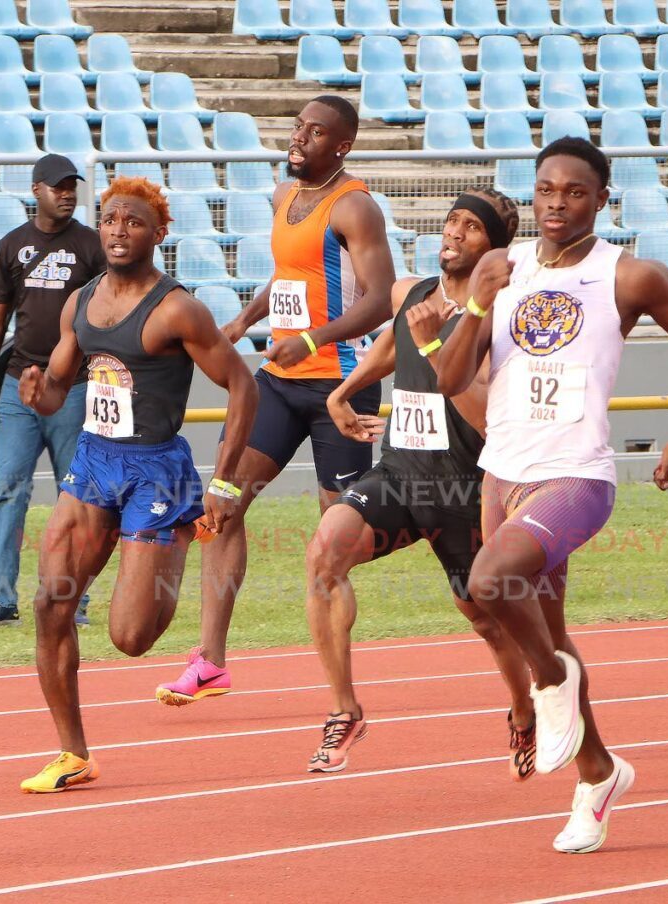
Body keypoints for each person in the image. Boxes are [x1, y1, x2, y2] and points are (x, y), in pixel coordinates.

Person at [436, 138, 668, 853]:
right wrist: (478, 303)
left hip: (577, 476)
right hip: (503, 473)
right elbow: (447, 378)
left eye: (575, 192)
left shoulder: (628, 275)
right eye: (546, 190)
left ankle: (552, 679)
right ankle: (597, 777)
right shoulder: (503, 269)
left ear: (602, 199)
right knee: (545, 627)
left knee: (490, 581)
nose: (558, 203)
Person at [16, 176, 257, 792]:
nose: (119, 230)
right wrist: (38, 391)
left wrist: (225, 485)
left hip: (155, 468)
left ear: (158, 233)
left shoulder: (177, 308)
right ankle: (73, 754)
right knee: (50, 604)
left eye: (133, 222)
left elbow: (243, 386)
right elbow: (57, 392)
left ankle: (176, 535)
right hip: (95, 462)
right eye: (110, 219)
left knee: (129, 637)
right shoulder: (82, 301)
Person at [155, 96, 396, 705]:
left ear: (341, 146)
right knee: (222, 503)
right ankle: (210, 661)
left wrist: (314, 337)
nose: (299, 138)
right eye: (298, 127)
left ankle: (338, 673)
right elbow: (292, 274)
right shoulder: (286, 197)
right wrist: (243, 320)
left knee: (334, 540)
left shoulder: (356, 207)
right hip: (280, 383)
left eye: (315, 133)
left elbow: (381, 297)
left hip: (341, 387)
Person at [304, 189, 538, 779]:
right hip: (401, 477)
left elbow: (485, 414)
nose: (454, 233)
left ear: (494, 249)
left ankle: (523, 711)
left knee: (484, 615)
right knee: (325, 550)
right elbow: (390, 344)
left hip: (464, 491)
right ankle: (344, 710)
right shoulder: (411, 294)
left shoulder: (497, 318)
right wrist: (340, 390)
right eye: (451, 221)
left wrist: (437, 343)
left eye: (471, 228)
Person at [0, 154, 106, 629]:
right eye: (59, 186)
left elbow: (110, 316)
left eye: (72, 187)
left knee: (79, 496)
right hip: (18, 389)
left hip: (74, 388)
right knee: (8, 489)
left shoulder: (92, 245)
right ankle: (0, 598)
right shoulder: (12, 246)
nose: (67, 193)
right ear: (36, 189)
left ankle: (74, 598)